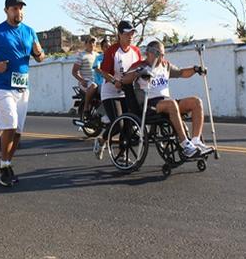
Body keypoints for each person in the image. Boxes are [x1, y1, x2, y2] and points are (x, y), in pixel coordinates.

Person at [0, 0, 46, 187]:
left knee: (17, 132)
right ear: (6, 10)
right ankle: (4, 163)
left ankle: (6, 165)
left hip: (23, 87)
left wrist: (39, 52)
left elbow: (41, 57)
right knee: (11, 123)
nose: (19, 12)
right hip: (2, 86)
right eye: (14, 8)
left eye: (21, 8)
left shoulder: (30, 31)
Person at [121, 40, 213, 158]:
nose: (162, 57)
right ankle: (185, 145)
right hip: (148, 105)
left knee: (196, 102)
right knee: (171, 104)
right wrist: (138, 73)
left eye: (163, 54)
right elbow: (124, 80)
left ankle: (195, 142)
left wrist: (196, 69)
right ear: (150, 53)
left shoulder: (165, 65)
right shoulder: (139, 65)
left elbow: (181, 72)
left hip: (167, 102)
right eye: (159, 54)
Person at [93, 21, 142, 160]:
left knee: (129, 123)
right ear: (120, 34)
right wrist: (115, 81)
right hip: (111, 92)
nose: (130, 36)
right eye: (127, 33)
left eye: (132, 33)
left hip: (127, 91)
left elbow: (139, 70)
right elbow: (103, 72)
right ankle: (102, 139)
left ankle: (122, 154)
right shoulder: (112, 51)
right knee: (119, 124)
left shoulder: (136, 51)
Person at [71, 36, 98, 120]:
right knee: (93, 86)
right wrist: (81, 80)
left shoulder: (98, 55)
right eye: (90, 42)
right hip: (86, 81)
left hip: (97, 80)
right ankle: (86, 108)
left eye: (94, 42)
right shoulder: (81, 55)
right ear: (86, 44)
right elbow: (74, 71)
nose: (92, 44)